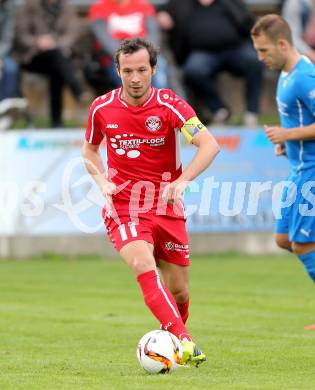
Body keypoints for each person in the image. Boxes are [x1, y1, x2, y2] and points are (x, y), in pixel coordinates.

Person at [82, 38, 220, 364]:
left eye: (142, 70)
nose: (135, 78)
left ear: (153, 69)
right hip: (125, 206)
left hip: (166, 207)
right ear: (117, 70)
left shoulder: (170, 105)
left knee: (180, 291)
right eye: (127, 71)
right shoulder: (102, 108)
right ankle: (185, 342)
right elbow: (89, 149)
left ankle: (169, 343)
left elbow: (209, 144)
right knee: (143, 265)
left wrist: (183, 181)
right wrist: (101, 180)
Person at [251, 14, 315, 330]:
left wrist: (287, 135)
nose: (261, 58)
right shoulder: (286, 74)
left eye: (264, 51)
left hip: (311, 173)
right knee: (282, 239)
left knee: (303, 244)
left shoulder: (305, 77)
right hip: (297, 168)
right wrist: (286, 144)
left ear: (281, 43)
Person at [157, 0, 263, 126]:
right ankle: (220, 111)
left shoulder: (230, 2)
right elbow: (162, 9)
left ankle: (251, 113)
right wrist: (162, 14)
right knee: (193, 70)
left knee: (255, 61)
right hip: (203, 53)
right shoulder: (181, 3)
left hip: (235, 49)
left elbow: (247, 20)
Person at [14, 0, 87, 128]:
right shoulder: (30, 6)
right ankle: (77, 92)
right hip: (33, 56)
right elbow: (21, 34)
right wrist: (38, 41)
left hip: (57, 56)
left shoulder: (67, 7)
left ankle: (57, 123)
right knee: (58, 62)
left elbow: (72, 33)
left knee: (57, 66)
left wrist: (56, 43)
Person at [87, 0, 169, 94]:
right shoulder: (99, 8)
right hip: (116, 59)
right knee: (133, 84)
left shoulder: (144, 5)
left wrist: (143, 54)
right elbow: (106, 42)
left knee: (159, 71)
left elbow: (154, 36)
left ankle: (158, 102)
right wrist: (128, 56)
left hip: (146, 55)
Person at [0, 0, 28, 131]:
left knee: (11, 68)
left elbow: (7, 37)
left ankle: (6, 106)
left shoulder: (9, 7)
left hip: (2, 52)